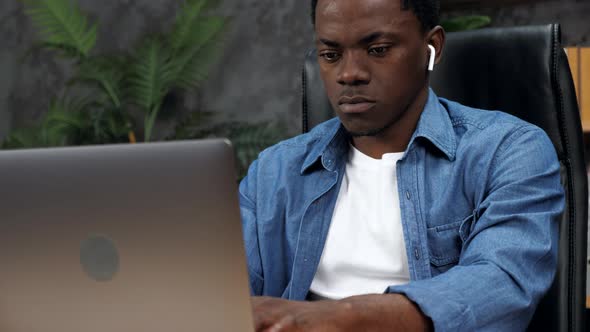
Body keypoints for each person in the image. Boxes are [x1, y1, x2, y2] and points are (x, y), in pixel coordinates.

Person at [239, 0, 564, 330]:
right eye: (331, 55)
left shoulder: (507, 150)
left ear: (432, 47)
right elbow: (220, 294)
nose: (349, 74)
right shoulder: (274, 171)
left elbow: (501, 281)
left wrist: (338, 318)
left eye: (378, 49)